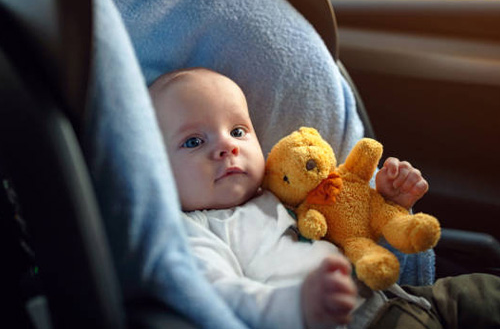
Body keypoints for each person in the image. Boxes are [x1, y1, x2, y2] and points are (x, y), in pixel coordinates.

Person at [149, 67, 500, 329]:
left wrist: (389, 202)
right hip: (362, 324)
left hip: (404, 297)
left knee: (484, 292)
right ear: (156, 169)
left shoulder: (285, 195)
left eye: (238, 131)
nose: (227, 146)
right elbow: (223, 296)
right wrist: (298, 305)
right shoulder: (195, 230)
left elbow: (357, 234)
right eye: (194, 141)